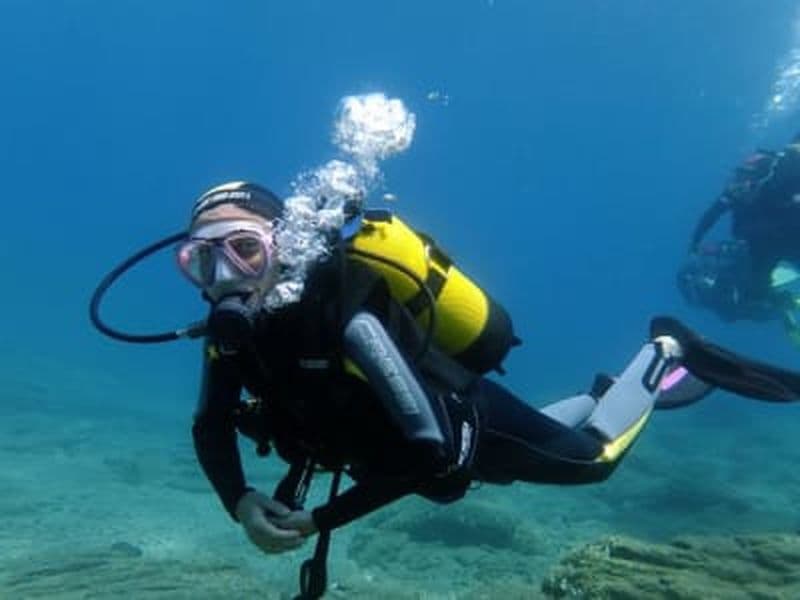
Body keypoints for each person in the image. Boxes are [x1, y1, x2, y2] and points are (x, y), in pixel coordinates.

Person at [89, 180, 800, 600]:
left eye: (243, 250)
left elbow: (429, 451)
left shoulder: (345, 316)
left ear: (286, 247)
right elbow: (210, 426)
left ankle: (665, 351)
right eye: (201, 262)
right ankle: (603, 390)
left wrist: (320, 521)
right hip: (397, 445)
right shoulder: (230, 334)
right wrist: (240, 501)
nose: (224, 279)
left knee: (592, 459)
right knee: (533, 445)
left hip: (457, 427)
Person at [679, 135, 800, 341]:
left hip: (788, 237)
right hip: (765, 246)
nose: (740, 186)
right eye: (738, 178)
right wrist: (695, 240)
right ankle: (785, 305)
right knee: (756, 294)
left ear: (762, 177)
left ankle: (782, 303)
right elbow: (712, 214)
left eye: (746, 180)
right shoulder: (734, 193)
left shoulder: (781, 182)